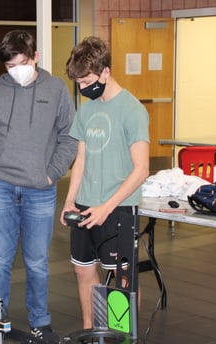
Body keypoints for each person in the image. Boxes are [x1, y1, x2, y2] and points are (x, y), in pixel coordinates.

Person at [0, 30, 77, 340]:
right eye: (9, 66)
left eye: (21, 63)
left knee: (37, 262)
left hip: (40, 190)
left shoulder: (56, 89)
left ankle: (40, 321)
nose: (15, 71)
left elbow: (69, 137)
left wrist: (52, 172)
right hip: (1, 186)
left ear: (35, 57)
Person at [60, 36, 150, 329]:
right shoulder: (86, 110)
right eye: (78, 83)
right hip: (86, 204)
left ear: (106, 72)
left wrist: (107, 208)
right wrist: (70, 200)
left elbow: (141, 169)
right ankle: (90, 332)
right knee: (82, 271)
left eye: (87, 81)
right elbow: (81, 159)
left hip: (119, 207)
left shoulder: (132, 110)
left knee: (121, 278)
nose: (83, 88)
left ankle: (121, 339)